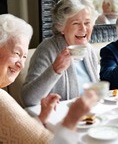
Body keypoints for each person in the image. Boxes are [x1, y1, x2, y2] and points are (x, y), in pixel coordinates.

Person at [0, 14, 98, 143]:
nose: (21, 65)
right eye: (17, 53)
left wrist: (41, 117)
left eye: (24, 57)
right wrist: (72, 118)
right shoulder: (2, 100)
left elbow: (20, 133)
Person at [21, 0, 99, 107]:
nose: (83, 29)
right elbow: (28, 99)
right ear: (61, 27)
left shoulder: (90, 50)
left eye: (87, 23)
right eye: (76, 23)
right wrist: (55, 70)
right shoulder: (47, 49)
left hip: (89, 117)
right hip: (59, 119)